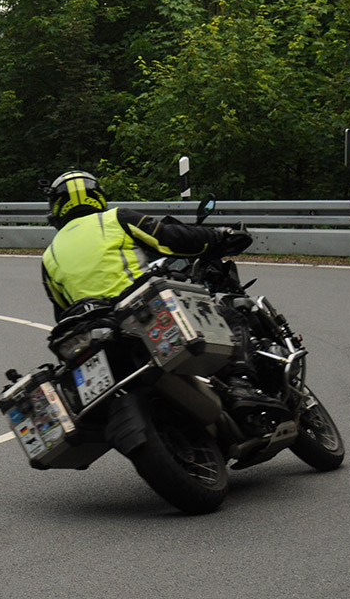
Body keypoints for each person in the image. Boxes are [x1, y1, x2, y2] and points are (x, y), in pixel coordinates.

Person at [39, 169, 284, 429]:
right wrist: (218, 236)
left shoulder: (49, 256)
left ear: (56, 206)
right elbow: (172, 239)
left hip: (94, 331)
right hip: (139, 311)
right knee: (230, 315)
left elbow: (63, 311)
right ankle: (240, 385)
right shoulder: (115, 219)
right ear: (97, 196)